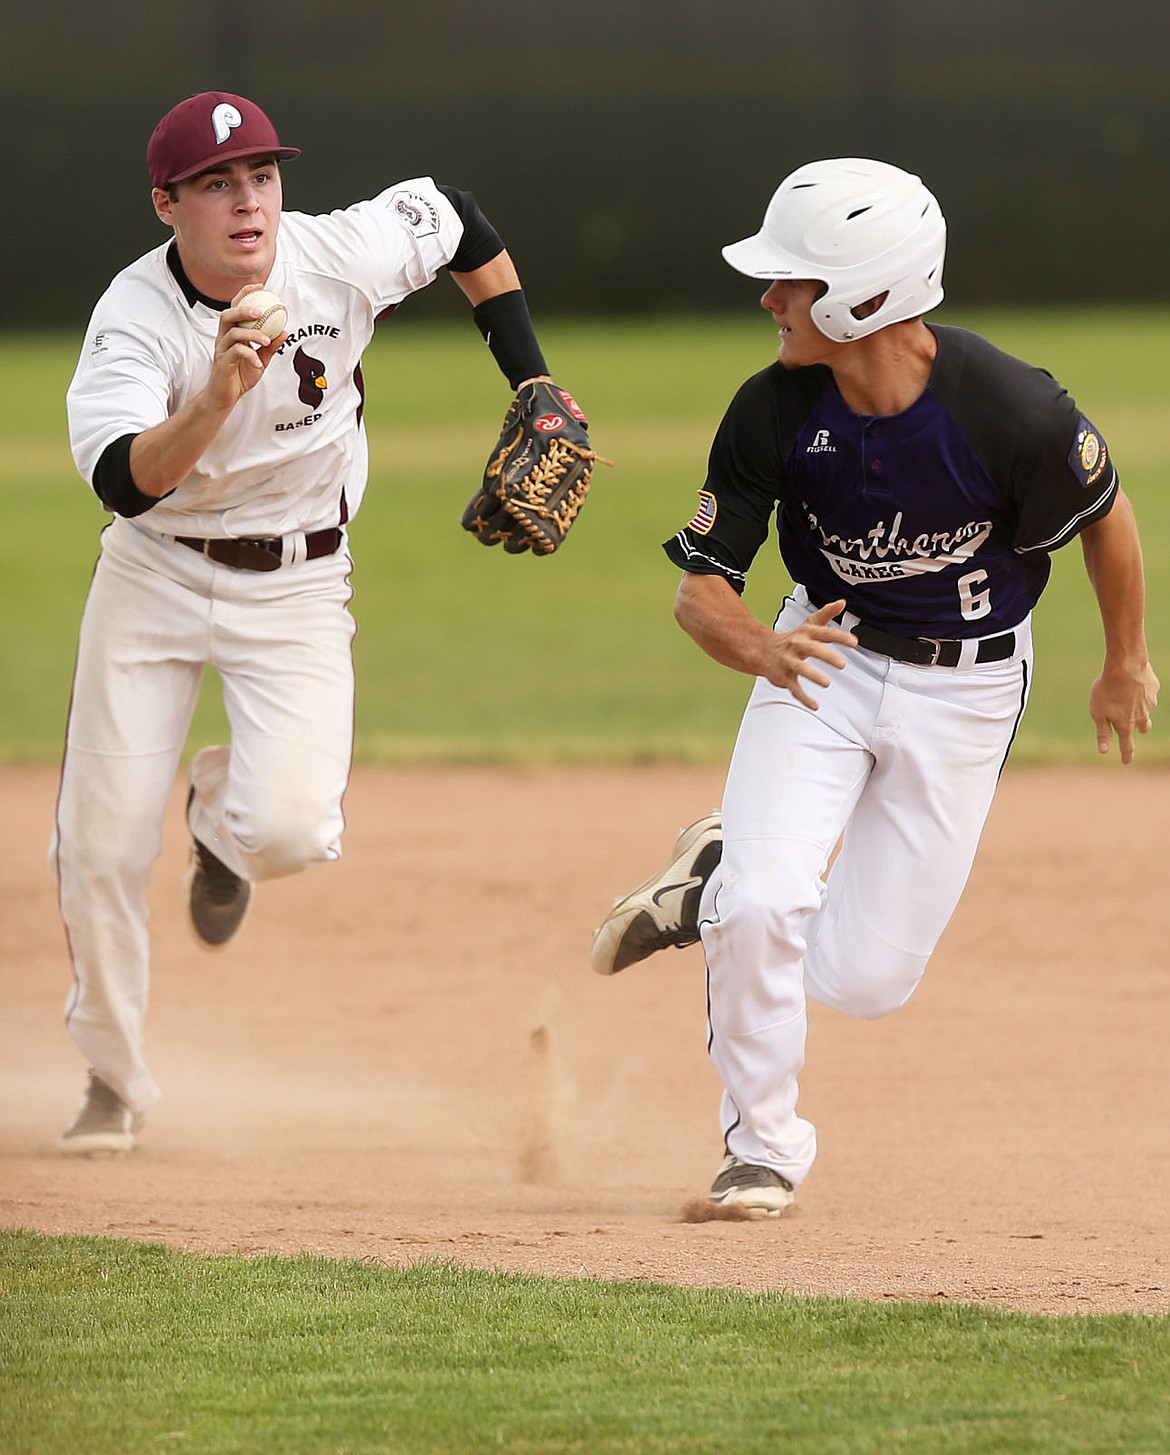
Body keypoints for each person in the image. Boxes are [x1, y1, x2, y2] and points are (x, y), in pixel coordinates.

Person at [590, 157, 1158, 1218]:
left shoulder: (1011, 412)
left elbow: (1107, 517)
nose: (768, 300)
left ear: (866, 297)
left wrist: (1125, 658)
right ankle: (762, 1145)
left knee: (863, 982)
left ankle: (710, 877)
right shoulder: (771, 411)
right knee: (768, 907)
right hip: (825, 658)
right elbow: (700, 592)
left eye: (790, 282)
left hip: (971, 689)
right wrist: (764, 648)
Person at [56, 91, 593, 1155]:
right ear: (167, 203)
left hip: (299, 582)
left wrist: (531, 374)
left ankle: (217, 819)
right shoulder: (134, 319)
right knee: (100, 848)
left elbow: (460, 217)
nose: (246, 201)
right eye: (215, 184)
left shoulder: (336, 254)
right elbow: (125, 482)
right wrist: (214, 393)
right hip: (154, 578)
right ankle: (113, 1083)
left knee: (294, 833)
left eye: (259, 174)